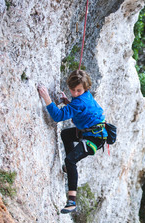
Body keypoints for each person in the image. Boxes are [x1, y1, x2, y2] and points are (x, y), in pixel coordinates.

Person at [38, 70, 107, 214]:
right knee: (66, 134)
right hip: (90, 131)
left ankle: (71, 201)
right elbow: (79, 109)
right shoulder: (84, 96)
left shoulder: (80, 101)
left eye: (78, 90)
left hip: (95, 138)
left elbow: (58, 116)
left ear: (86, 88)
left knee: (70, 161)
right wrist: (67, 102)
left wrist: (46, 98)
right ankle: (69, 167)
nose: (75, 93)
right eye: (72, 90)